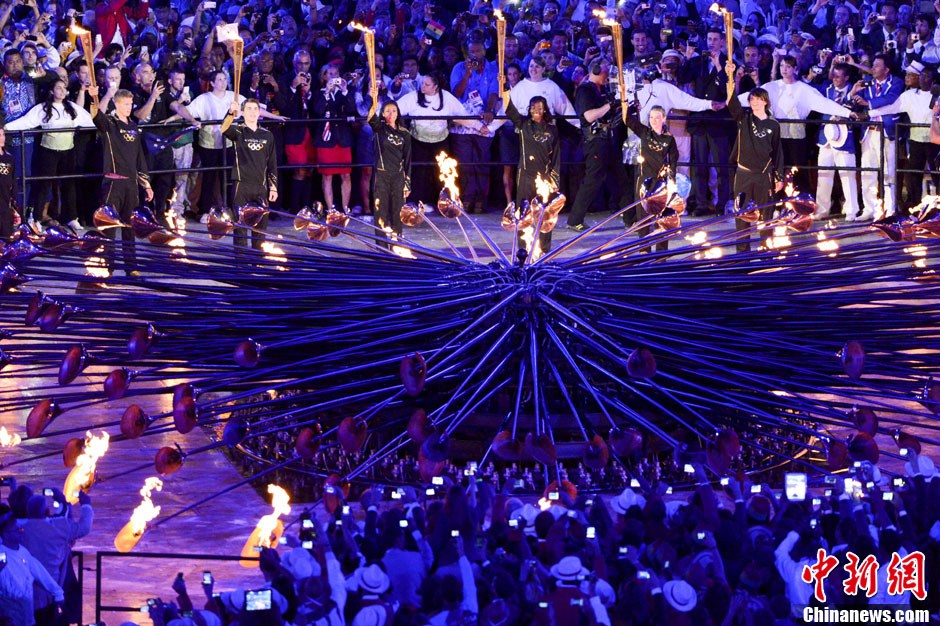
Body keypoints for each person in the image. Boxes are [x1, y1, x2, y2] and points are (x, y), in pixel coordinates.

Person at [4, 77, 94, 231]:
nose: (62, 91)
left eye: (64, 88)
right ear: (52, 91)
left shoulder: (72, 107)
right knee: (44, 185)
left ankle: (72, 218)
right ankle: (37, 218)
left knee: (69, 185)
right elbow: (26, 121)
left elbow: (89, 120)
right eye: (58, 88)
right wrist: (5, 128)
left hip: (68, 151)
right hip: (49, 152)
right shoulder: (43, 108)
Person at [92, 85, 153, 276]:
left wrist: (146, 185)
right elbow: (96, 117)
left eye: (130, 104)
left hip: (131, 184)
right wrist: (94, 99)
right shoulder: (110, 124)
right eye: (125, 104)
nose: (129, 107)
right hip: (113, 183)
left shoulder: (133, 127)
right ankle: (108, 267)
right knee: (109, 226)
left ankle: (131, 267)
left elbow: (139, 157)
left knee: (129, 227)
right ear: (117, 104)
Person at [565, 61, 632, 232]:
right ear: (595, 70)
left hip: (608, 139)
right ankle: (575, 219)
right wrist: (610, 105)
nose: (607, 75)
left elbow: (609, 116)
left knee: (622, 179)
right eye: (605, 71)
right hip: (595, 141)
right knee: (592, 180)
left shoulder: (601, 90)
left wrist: (623, 107)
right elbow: (589, 116)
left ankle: (631, 219)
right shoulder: (585, 90)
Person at [397, 73, 482, 205]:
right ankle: (418, 202)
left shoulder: (446, 97)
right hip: (418, 140)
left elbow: (461, 115)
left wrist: (479, 127)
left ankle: (444, 203)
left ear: (435, 87)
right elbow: (395, 109)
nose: (423, 86)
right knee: (419, 172)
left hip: (440, 140)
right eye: (422, 83)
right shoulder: (413, 97)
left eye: (427, 84)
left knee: (442, 171)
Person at [727, 61, 784, 253]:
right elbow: (732, 103)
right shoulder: (744, 119)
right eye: (752, 99)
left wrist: (779, 177)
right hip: (744, 174)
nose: (755, 102)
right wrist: (731, 77)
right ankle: (742, 256)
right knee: (742, 216)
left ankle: (766, 253)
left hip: (764, 175)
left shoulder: (773, 125)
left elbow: (777, 152)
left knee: (766, 216)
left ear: (765, 101)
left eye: (758, 99)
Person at [868, 63, 938, 214]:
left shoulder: (938, 95)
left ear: (933, 80)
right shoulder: (909, 95)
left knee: (936, 175)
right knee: (914, 175)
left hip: (935, 141)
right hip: (916, 140)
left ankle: (937, 210)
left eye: (926, 76)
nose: (922, 79)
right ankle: (915, 208)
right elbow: (892, 108)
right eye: (922, 75)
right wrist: (869, 114)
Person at [501, 89, 561, 255]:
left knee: (545, 212)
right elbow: (509, 110)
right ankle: (523, 249)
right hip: (526, 175)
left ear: (545, 110)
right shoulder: (524, 125)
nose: (536, 111)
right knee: (524, 211)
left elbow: (556, 157)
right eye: (533, 108)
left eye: (540, 108)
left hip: (545, 176)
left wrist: (554, 179)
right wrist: (504, 91)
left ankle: (544, 250)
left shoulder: (552, 130)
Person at [221, 99, 278, 251]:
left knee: (260, 229)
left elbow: (272, 163)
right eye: (249, 109)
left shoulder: (268, 135)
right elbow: (223, 128)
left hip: (261, 187)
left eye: (255, 109)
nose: (252, 112)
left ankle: (258, 259)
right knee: (240, 227)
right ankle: (241, 259)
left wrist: (273, 187)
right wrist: (230, 113)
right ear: (243, 112)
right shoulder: (238, 131)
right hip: (241, 185)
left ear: (259, 112)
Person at [851, 53, 903, 220]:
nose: (873, 68)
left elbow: (890, 99)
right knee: (868, 171)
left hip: (886, 132)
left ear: (886, 69)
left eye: (877, 65)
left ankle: (890, 209)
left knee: (889, 172)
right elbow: (856, 101)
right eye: (872, 65)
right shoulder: (868, 82)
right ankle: (869, 209)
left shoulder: (896, 82)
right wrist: (853, 93)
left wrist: (868, 105)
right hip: (869, 132)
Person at [0, 503, 65, 626]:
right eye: (17, 530)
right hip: (8, 620)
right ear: (6, 534)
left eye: (21, 529)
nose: (21, 532)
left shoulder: (23, 552)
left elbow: (39, 572)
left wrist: (57, 593)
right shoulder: (1, 553)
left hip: (27, 618)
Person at [626, 103, 679, 253]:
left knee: (662, 219)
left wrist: (671, 181)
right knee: (643, 218)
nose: (654, 121)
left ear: (664, 118)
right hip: (644, 181)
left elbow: (673, 161)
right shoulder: (644, 132)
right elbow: (627, 120)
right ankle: (644, 251)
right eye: (651, 117)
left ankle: (661, 253)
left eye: (657, 117)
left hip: (661, 184)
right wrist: (624, 101)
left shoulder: (669, 140)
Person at [814, 63, 861, 222]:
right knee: (824, 175)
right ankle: (822, 210)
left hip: (845, 139)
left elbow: (852, 111)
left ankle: (851, 210)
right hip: (825, 137)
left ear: (846, 77)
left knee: (848, 175)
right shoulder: (826, 88)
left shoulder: (855, 90)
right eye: (834, 75)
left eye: (838, 76)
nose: (834, 79)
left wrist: (849, 98)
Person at [313, 64, 357, 214]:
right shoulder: (318, 93)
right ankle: (331, 209)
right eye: (330, 74)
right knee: (327, 176)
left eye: (336, 73)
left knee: (346, 174)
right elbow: (317, 111)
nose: (333, 77)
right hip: (326, 140)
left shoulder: (345, 92)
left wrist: (344, 90)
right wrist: (326, 92)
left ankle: (345, 209)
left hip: (343, 138)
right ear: (324, 76)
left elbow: (351, 110)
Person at [366, 93, 411, 241]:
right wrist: (373, 99)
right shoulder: (379, 129)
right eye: (387, 111)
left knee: (398, 212)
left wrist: (407, 183)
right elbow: (371, 117)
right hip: (382, 176)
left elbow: (407, 160)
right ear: (383, 114)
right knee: (381, 211)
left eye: (394, 111)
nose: (391, 114)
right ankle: (381, 245)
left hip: (398, 176)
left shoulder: (405, 134)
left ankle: (397, 243)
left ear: (398, 113)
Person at [0, 129, 15, 242]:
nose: (2, 138)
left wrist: (14, 201)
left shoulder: (9, 158)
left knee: (7, 238)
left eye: (3, 135)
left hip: (5, 203)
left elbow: (13, 180)